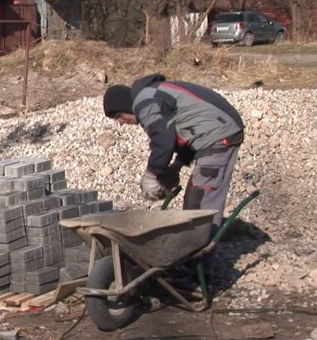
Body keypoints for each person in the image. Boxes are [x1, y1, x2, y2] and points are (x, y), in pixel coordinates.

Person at [102, 73, 244, 240]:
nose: (120, 122)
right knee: (195, 197)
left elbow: (163, 141)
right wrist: (176, 166)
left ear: (126, 106)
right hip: (217, 133)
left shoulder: (144, 101)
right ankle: (193, 253)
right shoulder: (152, 94)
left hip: (219, 135)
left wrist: (151, 175)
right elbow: (185, 134)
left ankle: (199, 260)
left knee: (201, 206)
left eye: (119, 116)